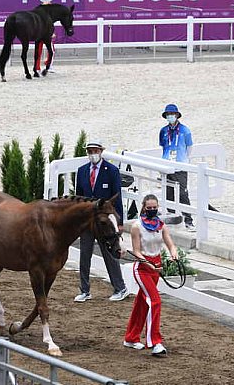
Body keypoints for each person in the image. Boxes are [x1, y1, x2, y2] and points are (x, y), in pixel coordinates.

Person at [74, 140, 129, 302]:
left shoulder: (111, 171)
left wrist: (119, 223)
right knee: (84, 255)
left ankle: (120, 287)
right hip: (88, 221)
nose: (93, 154)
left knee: (110, 254)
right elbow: (79, 198)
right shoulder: (82, 171)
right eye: (90, 151)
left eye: (95, 151)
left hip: (105, 222)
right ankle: (84, 290)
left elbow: (117, 196)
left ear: (101, 151)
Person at [123, 194, 178, 356]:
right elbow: (137, 251)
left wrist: (174, 254)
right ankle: (155, 342)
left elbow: (170, 244)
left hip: (156, 266)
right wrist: (149, 264)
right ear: (144, 207)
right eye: (149, 208)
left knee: (142, 302)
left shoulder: (161, 225)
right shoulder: (136, 226)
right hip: (142, 268)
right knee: (155, 301)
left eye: (155, 208)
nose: (153, 210)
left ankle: (131, 337)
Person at [159, 104, 195, 231]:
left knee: (182, 194)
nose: (170, 116)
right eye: (168, 114)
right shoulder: (163, 131)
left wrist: (183, 160)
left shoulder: (185, 130)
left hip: (180, 166)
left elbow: (189, 147)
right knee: (168, 193)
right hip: (167, 165)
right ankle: (173, 220)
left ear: (177, 115)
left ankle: (188, 221)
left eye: (172, 114)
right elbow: (163, 147)